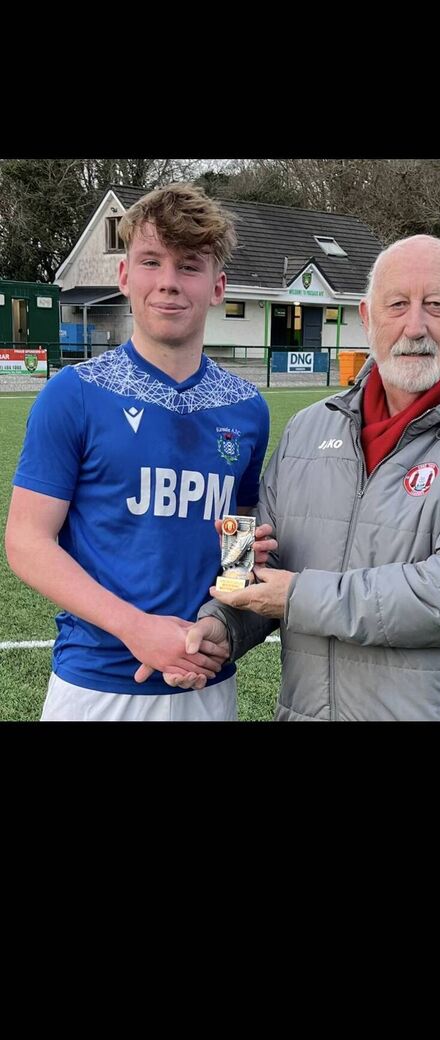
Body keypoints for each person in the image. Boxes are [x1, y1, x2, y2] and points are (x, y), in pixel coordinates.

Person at [182, 234, 440, 722]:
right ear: (367, 316)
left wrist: (295, 597)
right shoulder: (308, 428)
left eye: (436, 305)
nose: (414, 326)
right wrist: (222, 624)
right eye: (396, 304)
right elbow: (259, 560)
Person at [4, 183, 273, 721]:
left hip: (207, 682)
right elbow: (26, 542)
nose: (168, 283)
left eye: (189, 266)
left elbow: (238, 534)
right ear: (125, 276)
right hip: (97, 685)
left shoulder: (247, 408)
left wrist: (222, 623)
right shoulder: (74, 393)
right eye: (152, 262)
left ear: (218, 287)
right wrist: (136, 628)